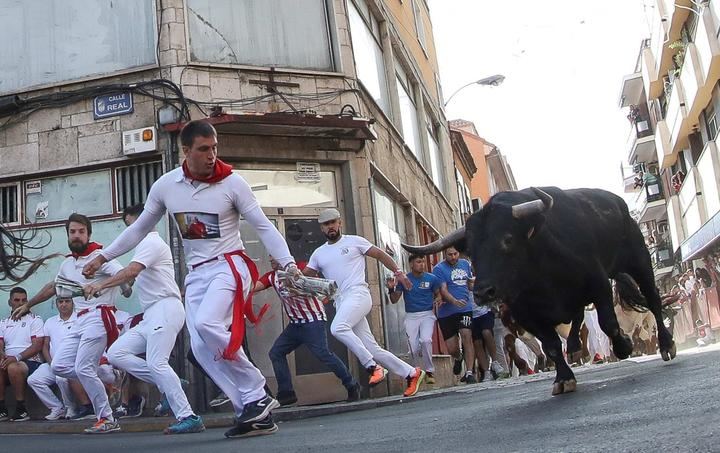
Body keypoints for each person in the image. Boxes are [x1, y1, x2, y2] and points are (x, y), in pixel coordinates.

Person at [81, 120, 300, 438]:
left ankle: (258, 393)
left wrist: (289, 263)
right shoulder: (166, 186)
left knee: (208, 324)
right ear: (186, 151)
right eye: (203, 149)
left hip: (230, 265)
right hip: (197, 275)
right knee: (199, 348)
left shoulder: (233, 183)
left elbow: (264, 226)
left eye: (215, 148)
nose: (212, 155)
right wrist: (103, 257)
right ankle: (251, 414)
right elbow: (139, 228)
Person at [83, 204, 205, 434]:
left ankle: (188, 416)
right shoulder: (142, 247)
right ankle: (171, 382)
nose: (131, 231)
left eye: (133, 225)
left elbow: (130, 272)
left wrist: (100, 284)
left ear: (147, 222)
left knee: (156, 362)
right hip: (151, 315)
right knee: (117, 353)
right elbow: (129, 277)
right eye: (129, 226)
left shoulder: (151, 243)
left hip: (166, 309)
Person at [12, 213, 130, 433]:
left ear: (88, 234)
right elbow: (53, 287)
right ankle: (109, 378)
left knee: (83, 368)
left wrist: (101, 286)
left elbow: (126, 275)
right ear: (67, 234)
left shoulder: (100, 256)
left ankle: (107, 418)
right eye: (72, 232)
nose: (77, 236)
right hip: (79, 320)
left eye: (81, 231)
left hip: (99, 316)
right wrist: (29, 305)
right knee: (59, 366)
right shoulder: (68, 263)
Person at [303, 208, 425, 397]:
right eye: (326, 225)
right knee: (372, 348)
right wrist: (291, 276)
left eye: (333, 222)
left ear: (339, 222)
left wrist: (399, 273)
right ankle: (411, 372)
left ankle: (372, 367)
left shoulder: (354, 241)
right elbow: (306, 277)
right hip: (341, 301)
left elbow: (381, 255)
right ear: (321, 228)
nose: (331, 227)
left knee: (338, 328)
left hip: (358, 294)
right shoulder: (318, 254)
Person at [257, 256, 360, 405]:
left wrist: (301, 288)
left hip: (313, 321)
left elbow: (320, 288)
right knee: (276, 352)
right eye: (270, 258)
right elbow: (254, 287)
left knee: (323, 354)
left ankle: (351, 384)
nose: (272, 261)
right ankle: (286, 393)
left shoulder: (302, 266)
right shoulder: (272, 277)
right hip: (296, 324)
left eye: (275, 257)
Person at [387, 254, 440, 384]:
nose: (422, 264)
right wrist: (390, 289)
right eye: (418, 262)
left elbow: (438, 294)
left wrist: (438, 300)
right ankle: (416, 372)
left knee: (426, 340)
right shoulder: (405, 280)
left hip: (427, 314)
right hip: (411, 316)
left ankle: (429, 371)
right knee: (413, 348)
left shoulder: (432, 279)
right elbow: (394, 300)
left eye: (423, 261)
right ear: (411, 264)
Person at [27, 296, 78, 420]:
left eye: (67, 301)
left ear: (73, 303)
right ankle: (57, 408)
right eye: (60, 302)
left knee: (61, 378)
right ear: (56, 304)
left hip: (73, 364)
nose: (64, 304)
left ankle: (70, 407)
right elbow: (45, 346)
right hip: (53, 363)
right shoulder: (50, 321)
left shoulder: (79, 319)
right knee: (34, 379)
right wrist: (51, 362)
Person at [432, 246, 476, 384]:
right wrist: (454, 301)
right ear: (444, 254)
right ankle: (458, 358)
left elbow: (469, 285)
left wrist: (474, 284)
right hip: (447, 312)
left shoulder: (465, 264)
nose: (453, 257)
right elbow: (443, 290)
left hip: (465, 309)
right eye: (450, 254)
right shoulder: (439, 269)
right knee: (452, 349)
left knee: (466, 336)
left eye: (455, 254)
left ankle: (469, 372)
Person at [0, 287, 44, 421]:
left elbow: (37, 345)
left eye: (24, 300)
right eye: (17, 300)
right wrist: (2, 355)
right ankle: (2, 408)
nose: (20, 303)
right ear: (10, 302)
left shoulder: (35, 320)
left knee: (14, 367)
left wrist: (16, 357)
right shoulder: (3, 322)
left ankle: (21, 408)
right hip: (9, 360)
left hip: (30, 362)